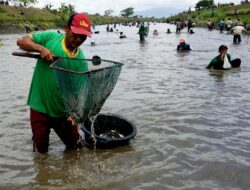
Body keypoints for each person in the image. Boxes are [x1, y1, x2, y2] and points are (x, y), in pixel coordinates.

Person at [16, 13, 92, 153]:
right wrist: (40, 48)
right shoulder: (50, 38)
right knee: (41, 152)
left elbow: (78, 92)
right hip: (39, 106)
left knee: (76, 150)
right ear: (66, 29)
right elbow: (21, 41)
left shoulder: (80, 61)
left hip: (62, 111)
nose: (78, 39)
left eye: (83, 36)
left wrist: (74, 113)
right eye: (75, 34)